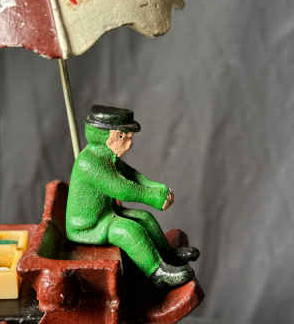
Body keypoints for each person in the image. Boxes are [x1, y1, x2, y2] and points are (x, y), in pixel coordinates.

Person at [66, 105, 199, 290]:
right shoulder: (89, 163)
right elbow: (122, 189)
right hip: (89, 226)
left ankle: (167, 255)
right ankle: (157, 274)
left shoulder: (107, 156)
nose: (129, 143)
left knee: (145, 218)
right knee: (128, 231)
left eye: (130, 137)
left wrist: (156, 187)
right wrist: (153, 198)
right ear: (104, 135)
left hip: (106, 213)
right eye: (123, 136)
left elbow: (132, 175)